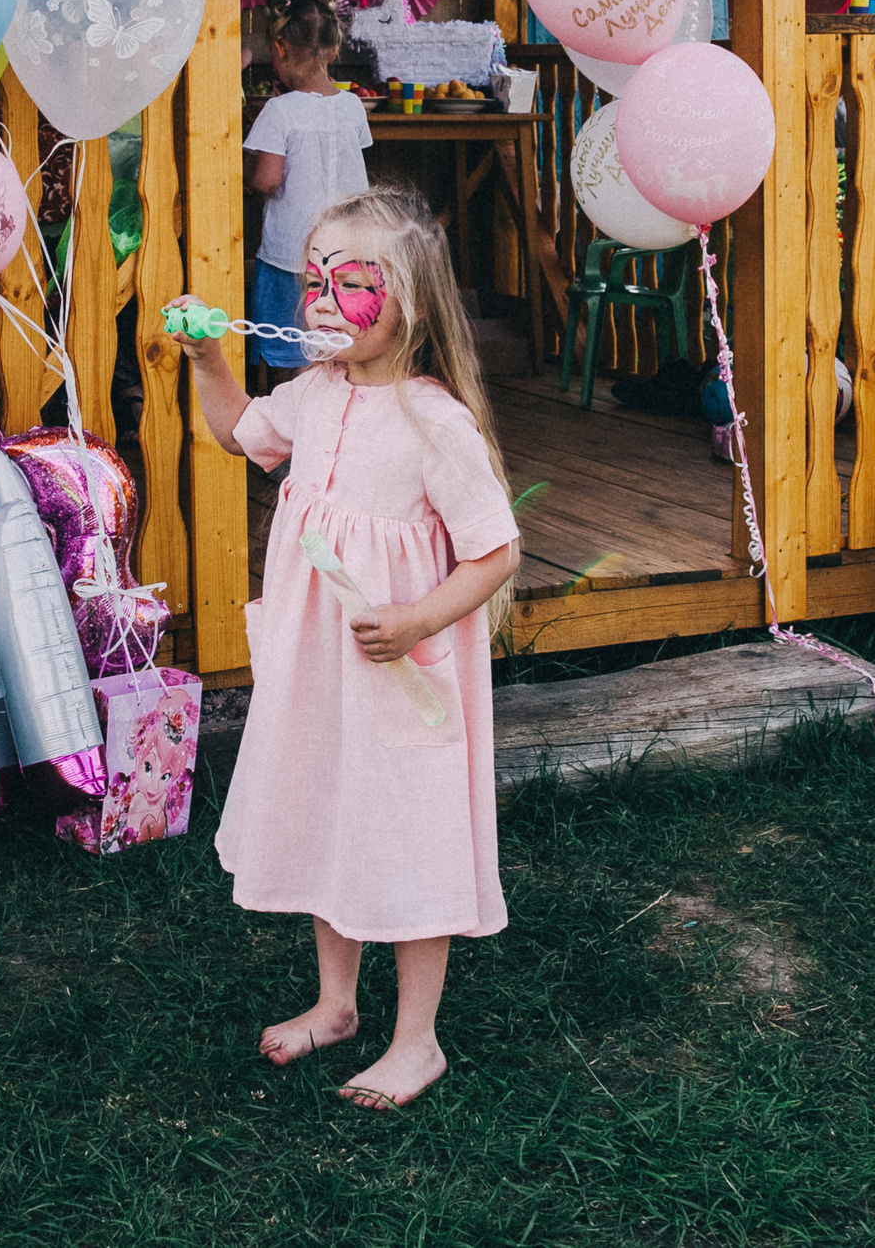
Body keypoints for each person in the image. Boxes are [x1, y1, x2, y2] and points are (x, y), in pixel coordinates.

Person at [172, 185, 521, 1111]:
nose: (323, 299)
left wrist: (415, 621)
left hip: (398, 673)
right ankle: (336, 1005)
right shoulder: (314, 392)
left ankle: (418, 1040)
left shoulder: (432, 421)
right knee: (332, 810)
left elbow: (497, 550)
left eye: (350, 280)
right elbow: (241, 431)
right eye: (312, 278)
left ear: (408, 298)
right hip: (319, 668)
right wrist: (210, 360)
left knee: (405, 831)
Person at [243, 0, 371, 391]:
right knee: (337, 351)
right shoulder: (353, 106)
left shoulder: (279, 111)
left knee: (295, 357)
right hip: (349, 253)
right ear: (333, 50)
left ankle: (293, 441)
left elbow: (266, 180)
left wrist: (246, 163)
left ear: (279, 49)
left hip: (292, 260)